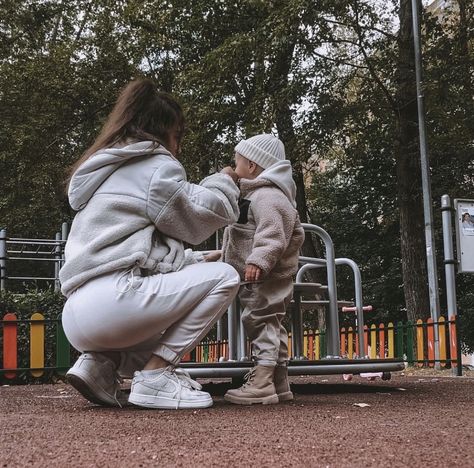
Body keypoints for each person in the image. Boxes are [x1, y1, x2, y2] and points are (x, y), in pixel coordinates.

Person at [60, 78, 242, 410]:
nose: (179, 147)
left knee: (160, 329)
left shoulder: (107, 174)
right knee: (226, 276)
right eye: (178, 136)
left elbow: (140, 255)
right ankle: (156, 377)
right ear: (162, 132)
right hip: (112, 304)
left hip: (77, 317)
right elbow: (205, 213)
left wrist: (194, 261)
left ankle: (100, 364)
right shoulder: (155, 166)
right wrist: (225, 180)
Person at [220, 134, 305, 405]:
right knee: (272, 323)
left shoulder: (267, 196)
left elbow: (272, 234)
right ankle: (279, 381)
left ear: (253, 166)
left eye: (238, 162)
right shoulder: (262, 195)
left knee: (260, 322)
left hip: (264, 276)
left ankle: (261, 383)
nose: (234, 167)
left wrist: (259, 260)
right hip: (268, 275)